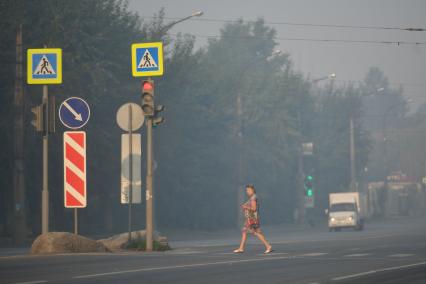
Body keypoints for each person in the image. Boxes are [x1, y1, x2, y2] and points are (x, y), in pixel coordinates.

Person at [234, 184, 273, 254]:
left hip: (252, 218)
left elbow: (254, 209)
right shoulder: (252, 197)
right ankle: (241, 248)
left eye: (249, 190)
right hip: (250, 218)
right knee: (244, 231)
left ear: (253, 190)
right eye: (246, 190)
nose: (247, 191)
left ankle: (268, 246)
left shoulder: (253, 198)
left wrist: (245, 207)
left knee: (256, 233)